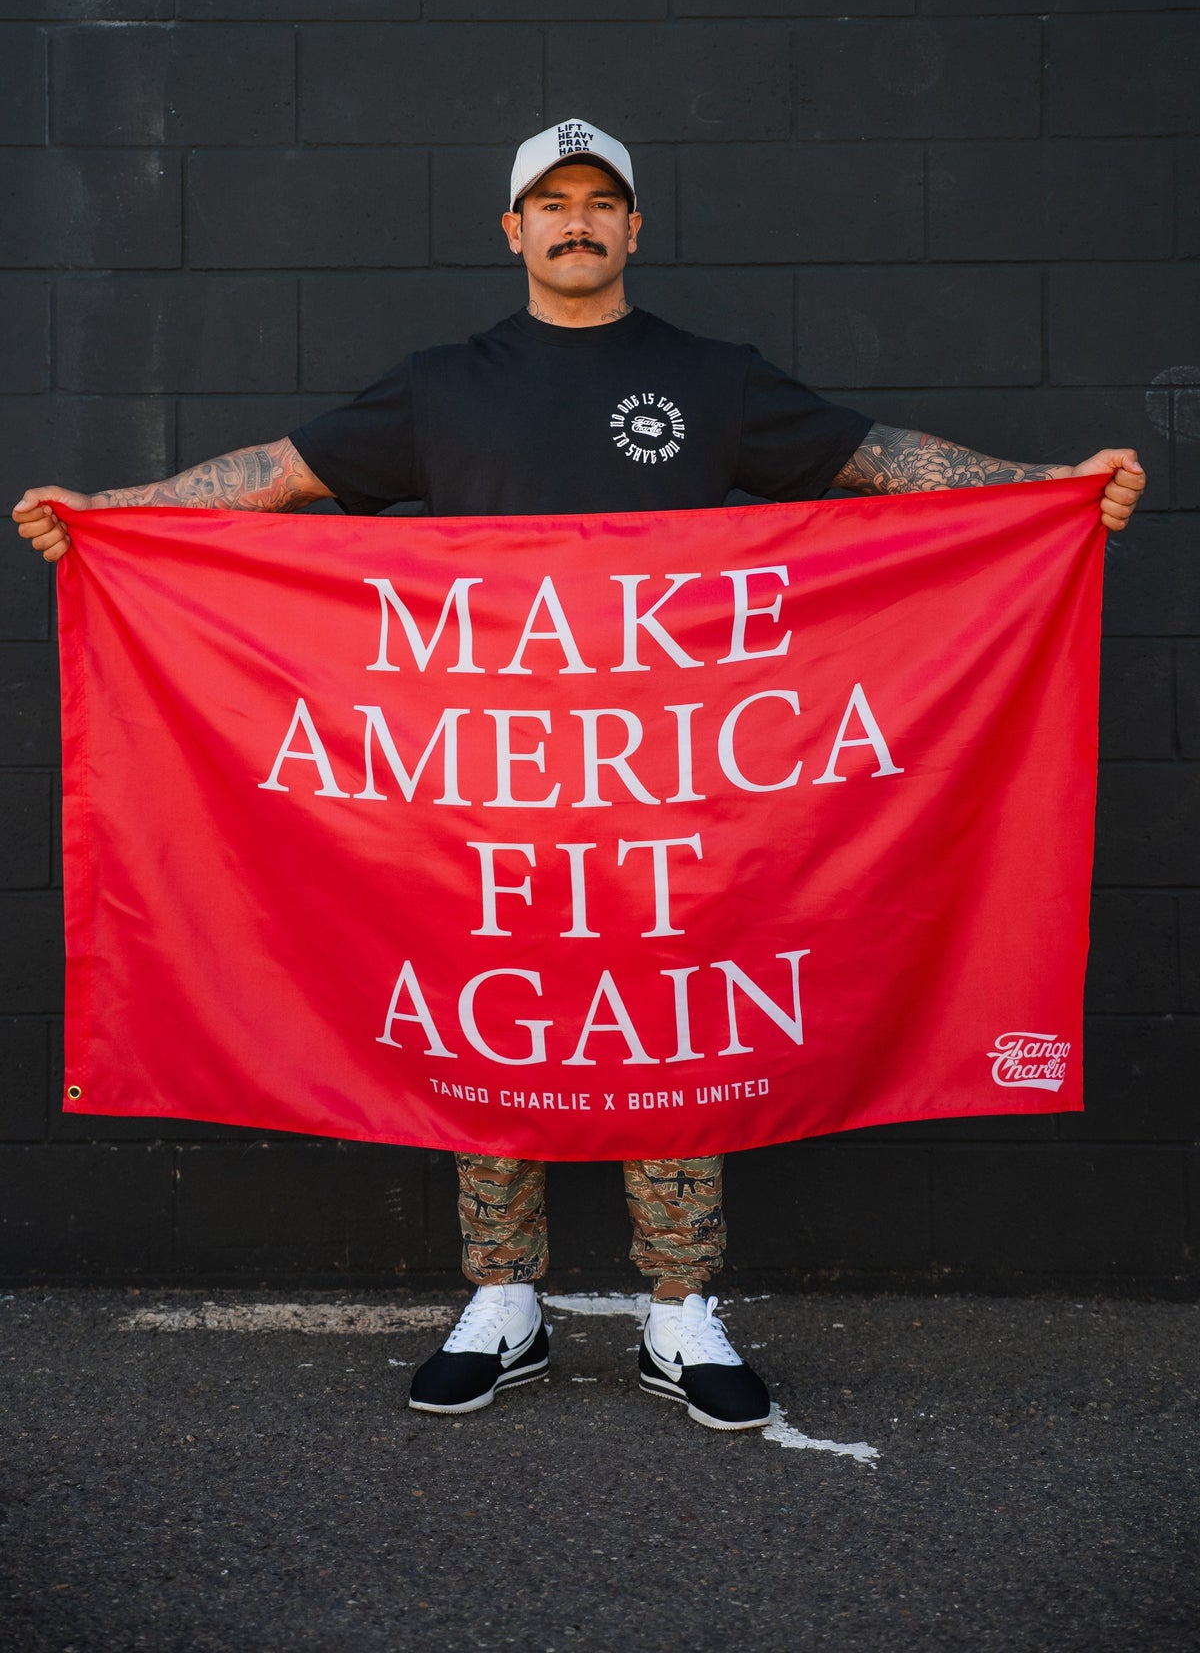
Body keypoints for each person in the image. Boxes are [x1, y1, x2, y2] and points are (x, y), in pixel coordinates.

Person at [14, 119, 1146, 1433]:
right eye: (549, 202)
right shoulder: (444, 387)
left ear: (633, 229)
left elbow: (872, 461)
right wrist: (113, 517)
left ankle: (681, 1310)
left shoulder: (710, 379)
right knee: (494, 1022)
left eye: (599, 202)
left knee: (672, 1023)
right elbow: (280, 478)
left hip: (675, 789)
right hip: (485, 791)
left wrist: (1044, 495)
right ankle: (504, 1301)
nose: (574, 221)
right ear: (512, 230)